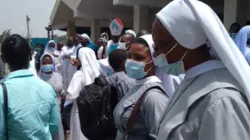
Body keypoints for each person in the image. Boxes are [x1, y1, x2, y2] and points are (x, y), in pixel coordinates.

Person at [152, 0, 250, 140]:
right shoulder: (193, 78)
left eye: (160, 46)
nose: (156, 54)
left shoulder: (222, 100)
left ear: (187, 42)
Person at [0, 34, 59, 139]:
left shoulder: (2, 92)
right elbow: (54, 125)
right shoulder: (47, 89)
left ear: (3, 59)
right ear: (31, 56)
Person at [113, 35, 169, 140]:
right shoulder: (137, 86)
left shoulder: (154, 97)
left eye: (138, 57)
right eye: (129, 56)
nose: (131, 61)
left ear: (154, 61)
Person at [65, 47, 100, 140]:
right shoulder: (99, 73)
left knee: (79, 133)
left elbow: (72, 95)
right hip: (96, 110)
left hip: (80, 110)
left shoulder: (79, 74)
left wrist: (65, 99)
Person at [39, 54, 65, 140]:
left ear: (53, 63)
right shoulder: (38, 78)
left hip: (57, 108)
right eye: (44, 63)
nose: (47, 65)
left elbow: (62, 90)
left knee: (58, 131)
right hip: (43, 109)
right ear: (41, 64)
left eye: (49, 62)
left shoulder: (58, 76)